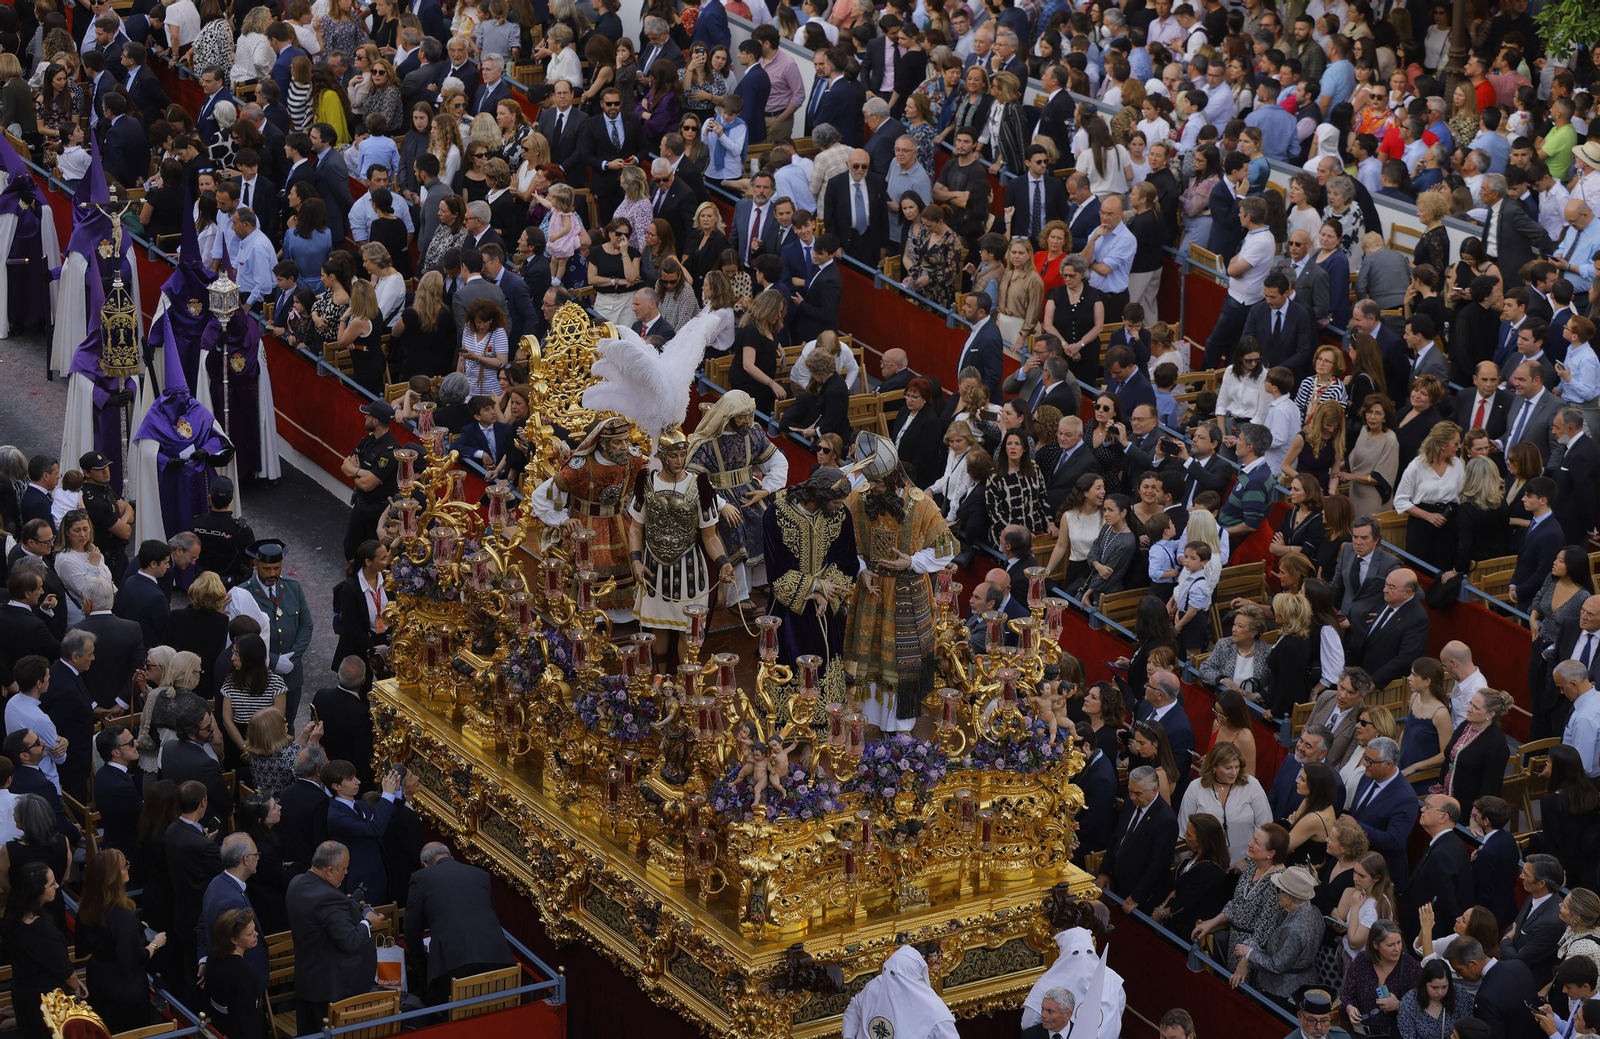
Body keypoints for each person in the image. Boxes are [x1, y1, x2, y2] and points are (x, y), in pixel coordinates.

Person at [842, 433, 955, 731]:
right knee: (874, 659)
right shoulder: (858, 497)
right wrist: (861, 569)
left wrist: (912, 562)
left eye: (878, 483)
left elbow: (948, 548)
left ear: (892, 476)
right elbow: (842, 544)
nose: (873, 489)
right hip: (872, 591)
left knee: (905, 664)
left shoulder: (922, 505)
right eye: (870, 482)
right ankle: (875, 719)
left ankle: (902, 727)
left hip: (908, 594)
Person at [285, 841, 386, 1036]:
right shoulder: (328, 898)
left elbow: (320, 918)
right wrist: (368, 922)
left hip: (307, 982)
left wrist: (347, 906)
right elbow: (350, 940)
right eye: (344, 868)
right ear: (329, 870)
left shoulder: (298, 882)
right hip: (333, 988)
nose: (347, 873)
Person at [404, 843, 514, 1005]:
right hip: (498, 959)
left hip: (453, 966)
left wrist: (419, 955)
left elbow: (411, 927)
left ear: (425, 865)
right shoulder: (480, 874)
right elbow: (490, 911)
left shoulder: (421, 878)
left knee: (439, 1006)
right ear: (451, 857)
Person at [241, 538, 314, 728]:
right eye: (267, 568)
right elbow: (243, 638)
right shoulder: (244, 594)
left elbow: (306, 626)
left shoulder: (293, 587)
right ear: (255, 565)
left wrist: (292, 658)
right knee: (263, 726)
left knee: (288, 724)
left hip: (291, 675)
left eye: (277, 568)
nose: (273, 573)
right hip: (261, 674)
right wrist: (273, 661)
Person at [8, 861, 84, 1039]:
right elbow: (66, 971)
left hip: (24, 995)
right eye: (51, 884)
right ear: (37, 891)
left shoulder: (14, 917)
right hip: (47, 1004)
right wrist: (76, 989)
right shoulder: (41, 929)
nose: (57, 886)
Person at [1096, 765, 1179, 913]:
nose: (1132, 796)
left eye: (1138, 793)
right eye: (1130, 791)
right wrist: (1105, 871)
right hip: (1117, 885)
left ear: (1154, 790)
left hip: (1139, 896)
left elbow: (1158, 865)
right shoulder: (1131, 802)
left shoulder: (1166, 820)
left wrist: (1136, 897)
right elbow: (1117, 838)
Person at [1177, 741, 1272, 863]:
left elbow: (1265, 828)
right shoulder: (1195, 787)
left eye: (1237, 767)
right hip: (1205, 865)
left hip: (1244, 865)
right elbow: (1184, 831)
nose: (1234, 772)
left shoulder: (1252, 785)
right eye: (1228, 768)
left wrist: (1248, 861)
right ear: (1214, 767)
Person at [841, 944, 959, 1039]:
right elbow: (853, 1009)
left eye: (893, 974)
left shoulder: (935, 1012)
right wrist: (848, 1036)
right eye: (886, 970)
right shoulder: (876, 986)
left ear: (907, 981)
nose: (887, 977)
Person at [1401, 795, 1474, 947]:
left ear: (1443, 817)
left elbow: (1446, 904)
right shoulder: (1450, 842)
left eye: (1428, 807)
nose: (1422, 809)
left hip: (1428, 938)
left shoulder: (1442, 853)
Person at [1152, 813, 1235, 935]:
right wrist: (1161, 907)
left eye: (1189, 835)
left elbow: (1187, 903)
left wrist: (1162, 914)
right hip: (1175, 920)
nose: (1185, 836)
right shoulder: (1197, 855)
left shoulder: (1210, 870)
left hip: (1187, 930)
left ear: (1203, 840)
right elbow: (1177, 888)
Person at [1445, 939, 1542, 1039]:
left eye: (1459, 970)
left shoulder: (1485, 998)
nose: (1458, 975)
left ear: (1473, 964)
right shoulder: (1519, 965)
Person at [1344, 921, 1423, 1038]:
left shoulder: (1411, 968)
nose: (1397, 949)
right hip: (1363, 1035)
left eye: (1399, 942)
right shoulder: (1362, 961)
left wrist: (1399, 1005)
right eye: (1390, 945)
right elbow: (1347, 994)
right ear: (1375, 945)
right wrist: (1349, 1007)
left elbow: (1425, 1007)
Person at [1439, 690, 1513, 811]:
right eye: (1470, 703)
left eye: (1476, 707)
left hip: (1468, 805)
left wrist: (1476, 814)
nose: (1469, 709)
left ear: (1491, 714)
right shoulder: (1466, 725)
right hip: (1447, 797)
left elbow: (1491, 786)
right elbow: (1449, 758)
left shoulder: (1497, 744)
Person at [1501, 855, 1568, 988]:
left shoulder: (1551, 922)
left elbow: (1518, 961)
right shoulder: (1533, 897)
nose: (1521, 877)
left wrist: (1506, 940)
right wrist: (1511, 936)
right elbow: (1514, 925)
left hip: (1526, 984)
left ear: (1541, 883)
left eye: (1525, 874)